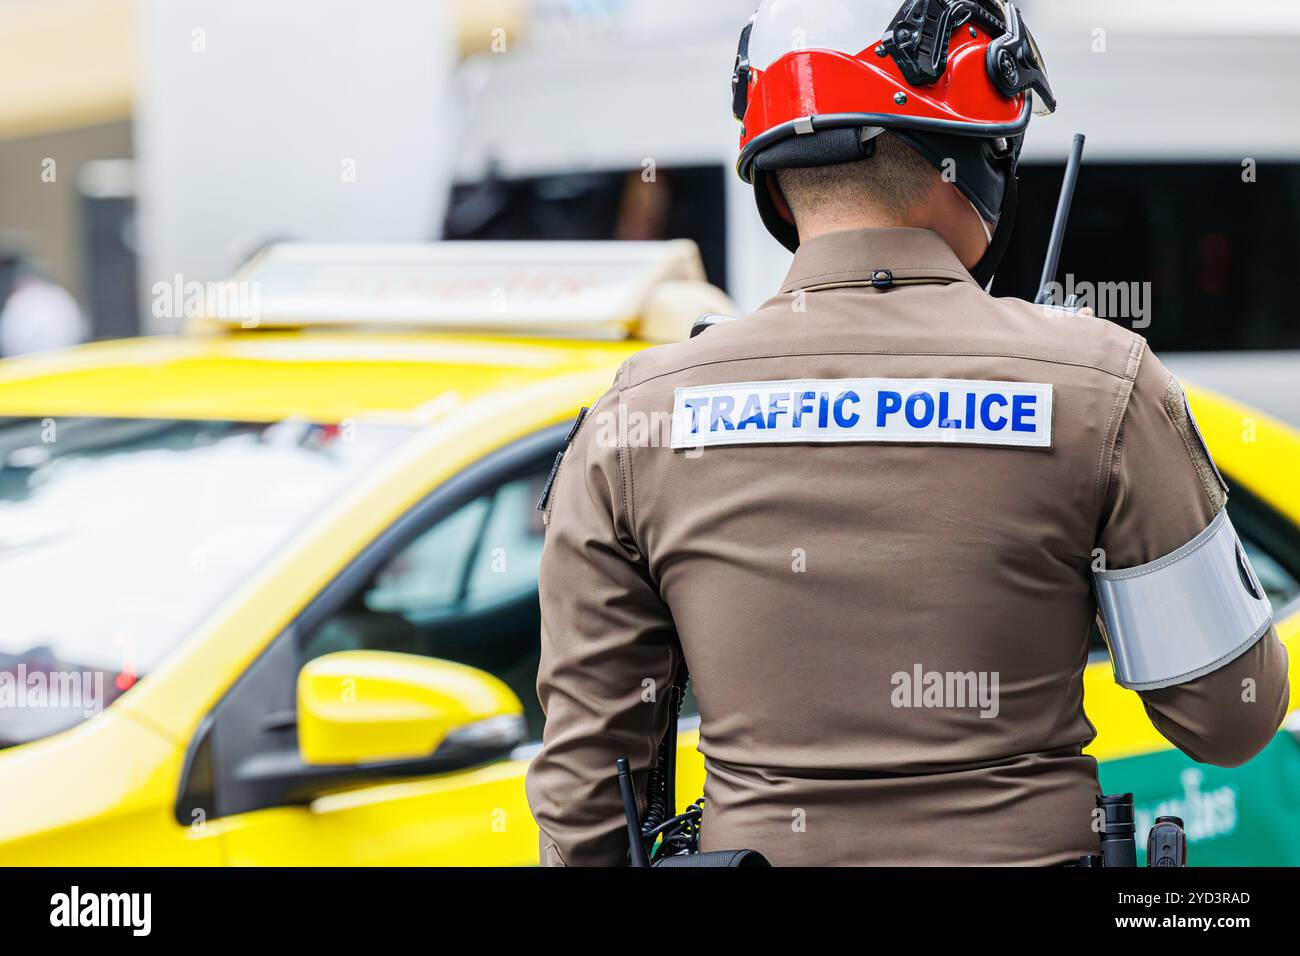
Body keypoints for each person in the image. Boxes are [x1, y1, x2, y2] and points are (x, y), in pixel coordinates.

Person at [525, 0, 1289, 866]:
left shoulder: (636, 416)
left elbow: (588, 810)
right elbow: (1234, 715)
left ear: (773, 180)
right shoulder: (1102, 388)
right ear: (975, 164)